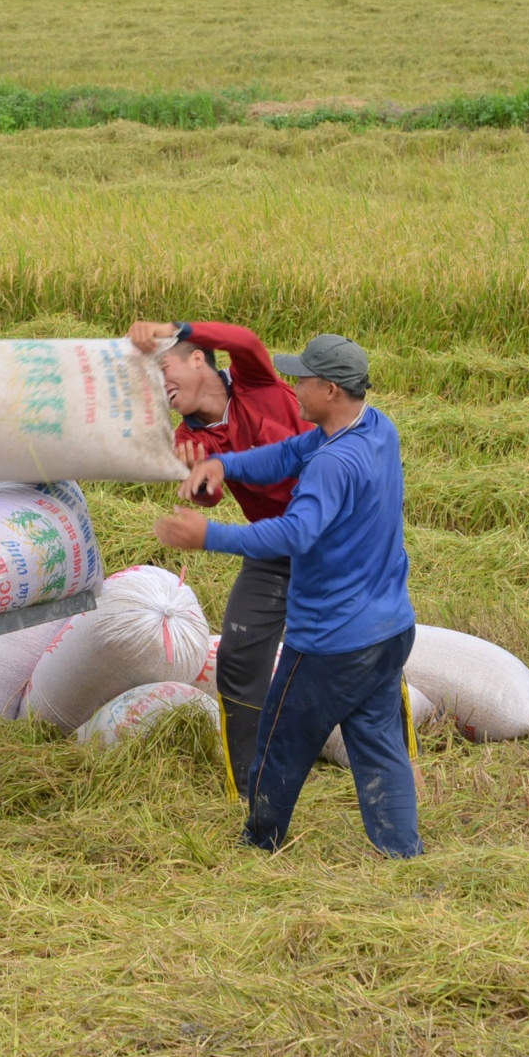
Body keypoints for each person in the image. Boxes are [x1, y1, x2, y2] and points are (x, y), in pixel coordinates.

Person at [153, 335, 422, 859]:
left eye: (302, 380)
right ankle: (402, 852)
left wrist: (210, 536)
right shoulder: (376, 428)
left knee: (280, 744)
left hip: (331, 641)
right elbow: (287, 452)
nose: (293, 387)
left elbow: (294, 535)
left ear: (329, 389)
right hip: (389, 628)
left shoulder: (332, 465)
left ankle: (259, 846)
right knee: (377, 744)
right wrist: (226, 467)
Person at [129, 320, 312, 801]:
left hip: (332, 539)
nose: (160, 384)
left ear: (197, 358)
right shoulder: (194, 439)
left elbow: (247, 340)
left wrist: (176, 328)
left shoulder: (254, 381)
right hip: (273, 546)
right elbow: (210, 498)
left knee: (351, 651)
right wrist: (194, 475)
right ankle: (249, 788)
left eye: (163, 366)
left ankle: (398, 762)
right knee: (238, 656)